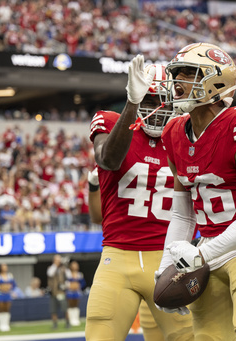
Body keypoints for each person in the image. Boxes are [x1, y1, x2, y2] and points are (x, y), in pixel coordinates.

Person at [155, 42, 236, 341]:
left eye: (187, 74)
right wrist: (166, 266)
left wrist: (199, 254)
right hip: (206, 248)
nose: (177, 82)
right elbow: (182, 214)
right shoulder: (174, 132)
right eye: (177, 74)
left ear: (215, 81)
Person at [85, 56, 193, 341]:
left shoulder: (186, 135)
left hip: (170, 258)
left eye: (162, 102)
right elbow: (108, 159)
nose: (156, 111)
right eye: (148, 101)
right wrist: (132, 104)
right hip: (118, 257)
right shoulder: (111, 122)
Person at [86, 165, 171, 340]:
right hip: (123, 254)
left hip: (167, 257)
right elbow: (97, 217)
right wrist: (94, 186)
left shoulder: (178, 143)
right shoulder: (117, 148)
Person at [0, 263, 17, 332]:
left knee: (7, 309)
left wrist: (10, 289)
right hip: (0, 294)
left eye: (6, 266)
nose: (5, 267)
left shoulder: (10, 275)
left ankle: (6, 324)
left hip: (7, 294)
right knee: (1, 308)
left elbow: (14, 285)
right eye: (3, 266)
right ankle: (1, 324)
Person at [47, 254, 69, 329]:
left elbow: (68, 276)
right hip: (53, 292)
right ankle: (55, 324)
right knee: (53, 309)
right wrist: (56, 265)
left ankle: (67, 322)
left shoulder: (63, 268)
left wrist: (64, 266)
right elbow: (50, 273)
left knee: (65, 308)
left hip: (61, 292)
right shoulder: (51, 268)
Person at [65, 260, 86, 327]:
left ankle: (76, 319)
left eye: (76, 265)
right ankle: (71, 320)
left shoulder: (80, 274)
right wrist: (70, 286)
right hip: (70, 292)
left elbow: (83, 283)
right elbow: (65, 281)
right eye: (73, 265)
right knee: (70, 305)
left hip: (77, 292)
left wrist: (78, 286)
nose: (75, 266)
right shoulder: (68, 273)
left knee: (76, 305)